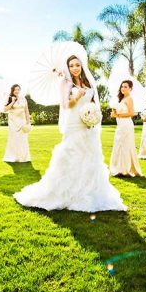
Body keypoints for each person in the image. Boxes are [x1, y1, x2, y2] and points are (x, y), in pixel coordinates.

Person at [14, 54, 127, 212]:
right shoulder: (64, 83)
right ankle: (68, 192)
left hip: (88, 125)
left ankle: (90, 191)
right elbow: (66, 105)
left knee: (90, 157)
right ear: (68, 68)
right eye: (71, 65)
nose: (75, 68)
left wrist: (93, 115)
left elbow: (93, 102)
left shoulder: (87, 82)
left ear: (82, 66)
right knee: (73, 155)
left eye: (77, 65)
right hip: (74, 123)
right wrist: (77, 96)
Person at [110, 80, 143, 177]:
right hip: (120, 125)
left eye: (125, 87)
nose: (123, 88)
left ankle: (125, 169)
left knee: (125, 146)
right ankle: (119, 168)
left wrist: (117, 115)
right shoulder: (122, 99)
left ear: (130, 89)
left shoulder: (129, 99)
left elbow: (131, 113)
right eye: (122, 86)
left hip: (126, 125)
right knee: (119, 145)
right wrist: (114, 114)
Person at [3, 84, 31, 162]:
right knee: (14, 139)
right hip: (13, 122)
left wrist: (28, 122)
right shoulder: (9, 98)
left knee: (23, 139)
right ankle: (13, 156)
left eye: (18, 89)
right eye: (15, 90)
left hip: (22, 122)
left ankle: (23, 157)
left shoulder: (23, 99)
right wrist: (12, 102)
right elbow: (5, 109)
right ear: (12, 90)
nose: (17, 91)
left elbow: (26, 111)